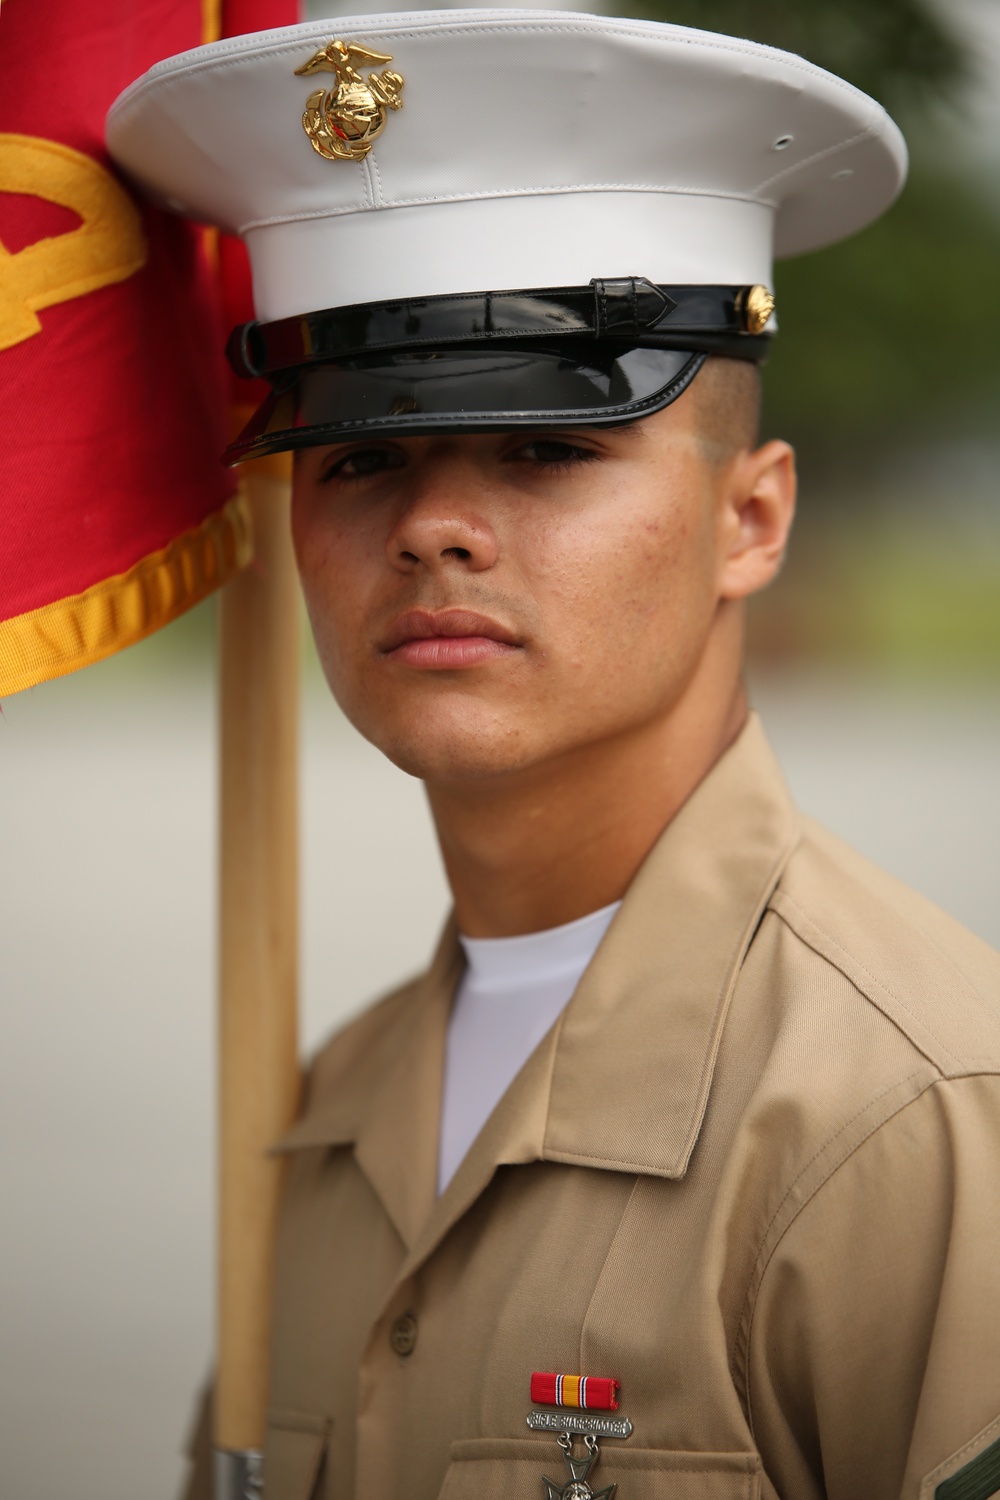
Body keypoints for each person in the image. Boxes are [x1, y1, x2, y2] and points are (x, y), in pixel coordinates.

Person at [107, 11, 1000, 1499]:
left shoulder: (915, 1116)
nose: (432, 526)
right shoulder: (330, 1102)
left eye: (546, 450)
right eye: (361, 458)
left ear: (752, 519)